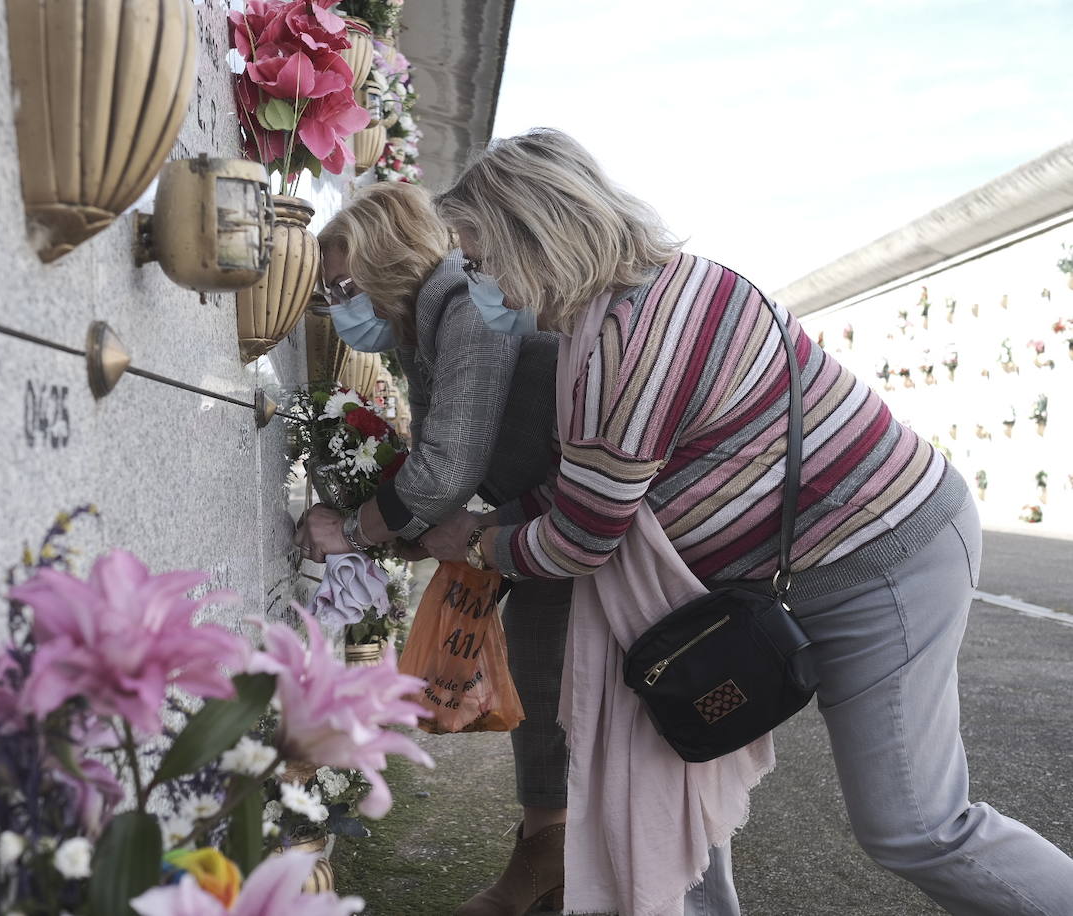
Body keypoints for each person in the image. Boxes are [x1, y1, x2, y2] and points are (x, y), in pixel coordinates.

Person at [426, 127, 1073, 915]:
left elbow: (582, 536)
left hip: (881, 561)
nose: (480, 278)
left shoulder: (630, 344)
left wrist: (484, 542)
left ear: (530, 235)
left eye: (479, 254)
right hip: (822, 564)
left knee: (915, 825)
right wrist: (503, 523)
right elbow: (587, 480)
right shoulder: (663, 289)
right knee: (670, 765)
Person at [292, 182, 572, 915]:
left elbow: (449, 465)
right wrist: (415, 528)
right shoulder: (434, 320)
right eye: (329, 295)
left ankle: (550, 868)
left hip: (574, 513)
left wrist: (356, 531)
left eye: (344, 286)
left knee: (561, 691)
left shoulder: (460, 305)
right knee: (545, 686)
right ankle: (549, 870)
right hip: (540, 512)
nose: (342, 306)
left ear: (387, 257)